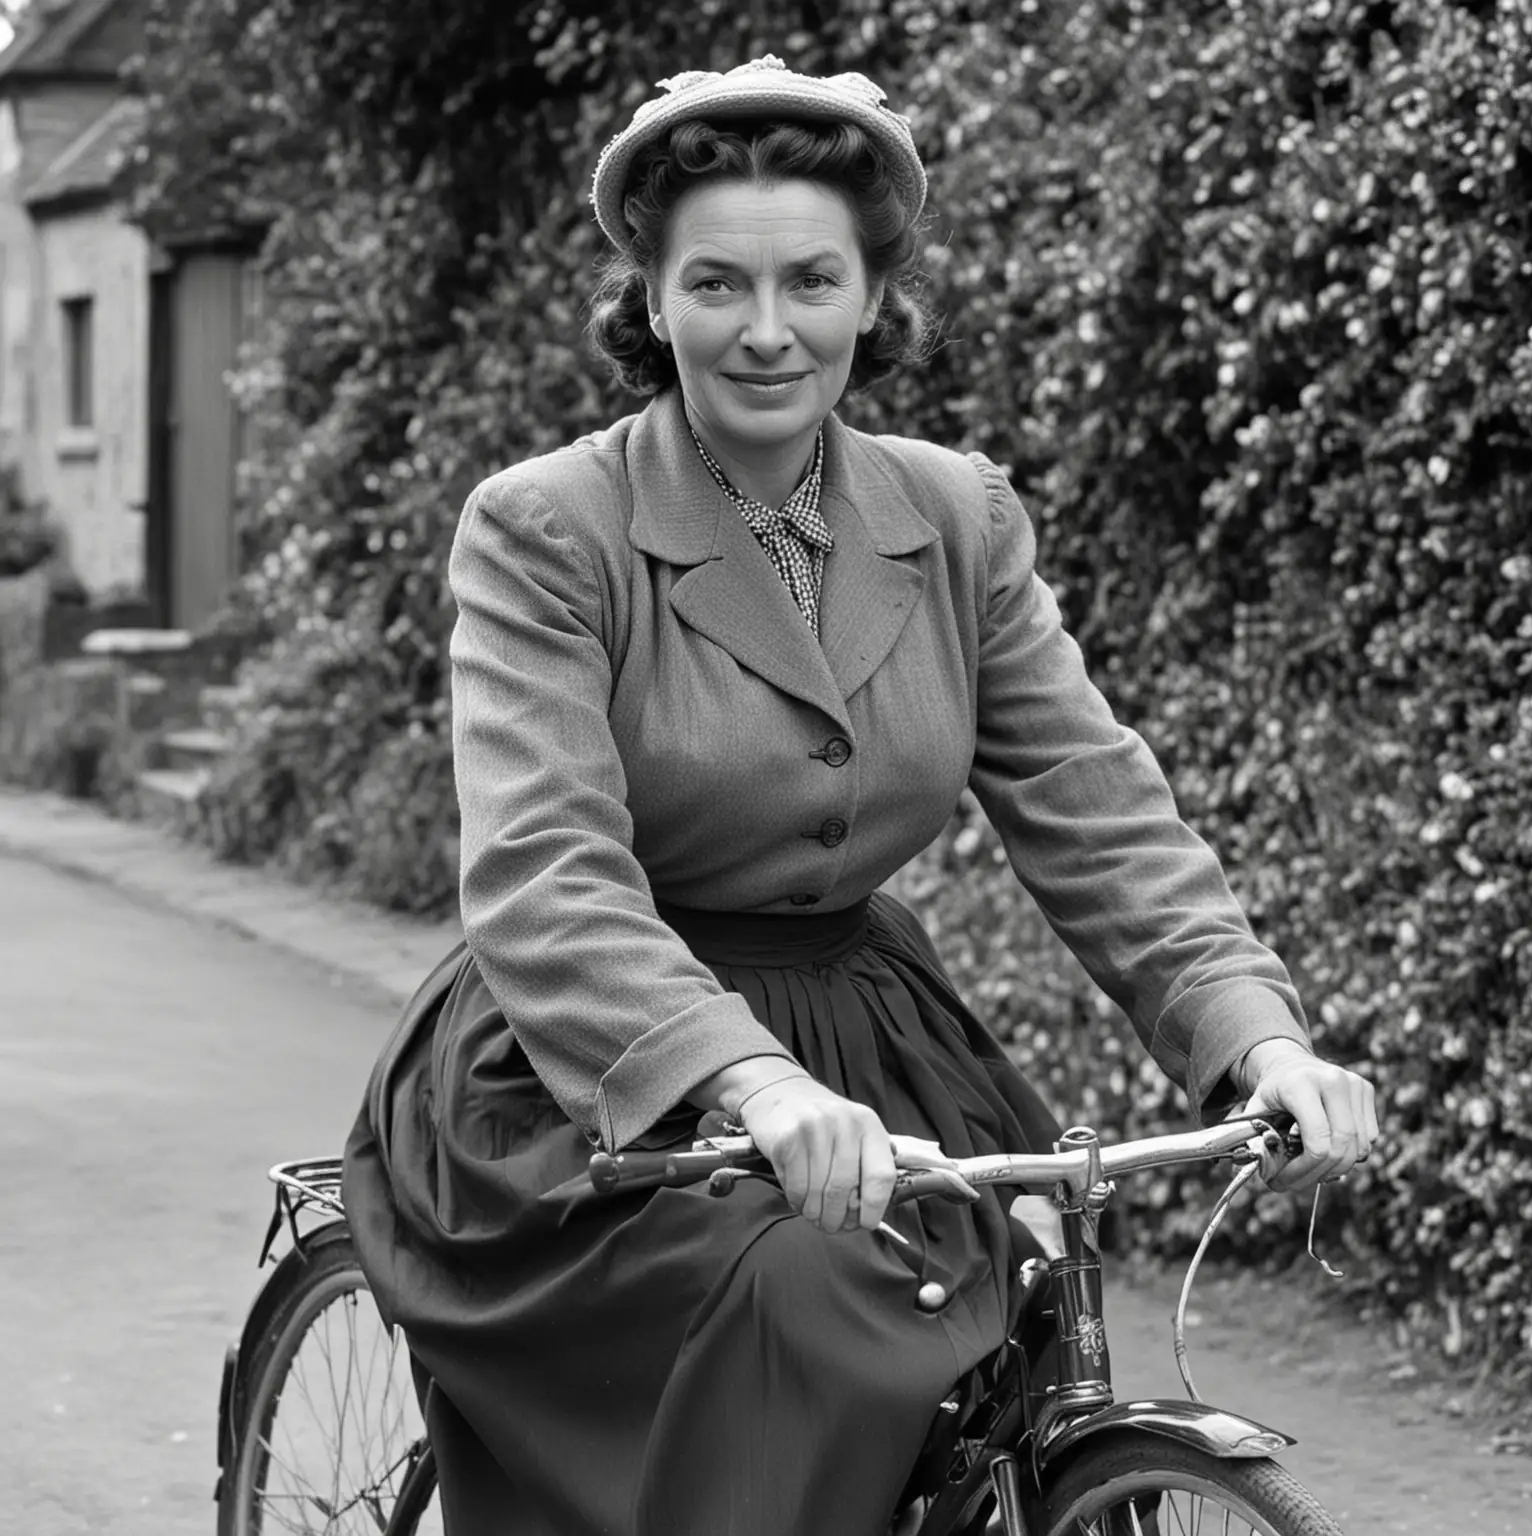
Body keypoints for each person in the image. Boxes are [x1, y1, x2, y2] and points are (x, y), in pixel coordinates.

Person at [342, 55, 1378, 1536]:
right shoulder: (548, 529)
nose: (768, 332)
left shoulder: (955, 515)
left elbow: (1096, 805)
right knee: (806, 1300)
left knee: (1012, 1299)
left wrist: (1255, 1037)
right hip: (600, 1064)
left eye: (812, 281)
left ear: (875, 298)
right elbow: (546, 867)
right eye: (716, 285)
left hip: (868, 1034)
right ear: (650, 299)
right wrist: (751, 1080)